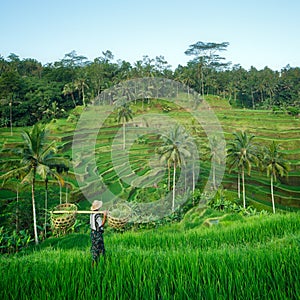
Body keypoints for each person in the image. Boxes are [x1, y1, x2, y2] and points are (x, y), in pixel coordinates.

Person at [90, 200, 107, 267]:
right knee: (97, 249)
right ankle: (94, 265)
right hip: (97, 234)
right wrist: (105, 216)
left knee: (96, 248)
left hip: (92, 233)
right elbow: (101, 225)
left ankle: (101, 263)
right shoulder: (97, 216)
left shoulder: (91, 214)